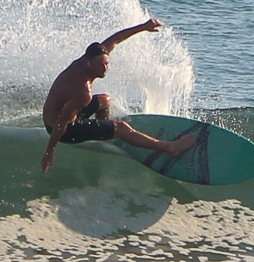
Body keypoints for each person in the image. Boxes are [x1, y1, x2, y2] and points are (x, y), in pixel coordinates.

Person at [41, 19, 195, 173]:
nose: (104, 69)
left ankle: (105, 134)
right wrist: (49, 152)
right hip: (64, 130)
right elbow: (62, 123)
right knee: (122, 128)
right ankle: (169, 147)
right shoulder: (83, 92)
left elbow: (115, 39)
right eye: (100, 65)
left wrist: (143, 27)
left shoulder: (87, 59)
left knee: (105, 100)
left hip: (55, 116)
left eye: (106, 64)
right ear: (89, 62)